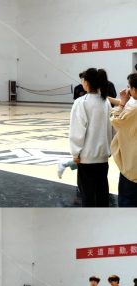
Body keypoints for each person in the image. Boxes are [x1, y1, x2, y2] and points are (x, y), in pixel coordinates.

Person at [69, 68, 113, 207]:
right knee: (102, 195)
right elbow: (111, 128)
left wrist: (75, 153)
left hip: (86, 159)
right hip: (103, 157)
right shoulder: (105, 102)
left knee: (88, 197)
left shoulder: (81, 102)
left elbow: (77, 130)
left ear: (87, 83)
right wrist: (109, 148)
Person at [110, 72, 137, 207]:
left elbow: (116, 121)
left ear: (134, 89)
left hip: (133, 168)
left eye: (129, 87)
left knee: (128, 203)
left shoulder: (133, 109)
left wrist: (121, 104)